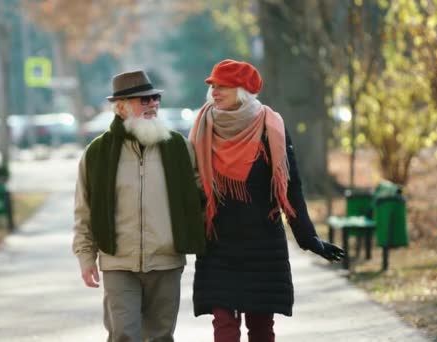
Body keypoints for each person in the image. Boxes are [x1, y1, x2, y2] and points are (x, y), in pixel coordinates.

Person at [189, 59, 345, 342]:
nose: (215, 92)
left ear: (243, 90)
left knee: (261, 327)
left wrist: (309, 239)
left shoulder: (270, 127)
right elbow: (189, 186)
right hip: (218, 243)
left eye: (223, 86)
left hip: (262, 244)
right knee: (223, 325)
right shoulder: (202, 126)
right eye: (213, 86)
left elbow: (291, 186)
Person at [73, 70, 206, 342]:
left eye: (155, 98)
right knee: (123, 334)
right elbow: (83, 211)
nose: (153, 104)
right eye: (143, 100)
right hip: (118, 261)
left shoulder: (179, 147)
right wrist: (86, 257)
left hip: (166, 260)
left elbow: (201, 197)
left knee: (161, 336)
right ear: (121, 107)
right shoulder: (97, 153)